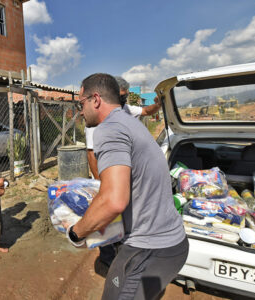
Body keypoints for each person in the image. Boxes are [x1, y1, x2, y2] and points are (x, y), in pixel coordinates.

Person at [68, 73, 188, 300]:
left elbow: (113, 201)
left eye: (80, 103)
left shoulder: (109, 128)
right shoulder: (129, 122)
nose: (80, 111)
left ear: (95, 99)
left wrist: (76, 233)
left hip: (149, 250)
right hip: (171, 245)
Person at [85, 76, 162, 269]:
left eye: (125, 96)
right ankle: (108, 255)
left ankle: (123, 246)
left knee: (124, 214)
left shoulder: (125, 110)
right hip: (106, 176)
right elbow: (91, 154)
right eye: (121, 96)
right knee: (107, 217)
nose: (123, 100)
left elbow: (145, 110)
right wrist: (101, 182)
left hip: (123, 173)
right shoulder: (97, 120)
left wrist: (159, 104)